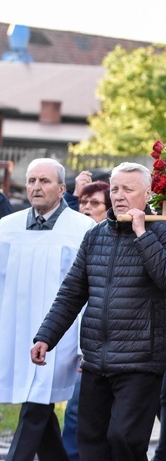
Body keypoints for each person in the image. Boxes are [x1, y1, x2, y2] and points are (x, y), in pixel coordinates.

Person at [31, 161, 166, 460]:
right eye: (115, 188)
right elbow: (72, 292)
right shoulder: (96, 234)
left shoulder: (164, 230)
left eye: (128, 188)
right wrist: (46, 336)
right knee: (90, 442)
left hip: (140, 361)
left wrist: (142, 233)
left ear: (148, 193)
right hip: (96, 359)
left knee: (125, 440)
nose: (119, 195)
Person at [0, 158, 95, 461]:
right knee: (38, 407)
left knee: (37, 403)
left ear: (62, 188)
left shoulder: (82, 229)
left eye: (44, 181)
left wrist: (84, 344)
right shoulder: (6, 228)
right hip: (16, 333)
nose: (36, 187)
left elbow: (89, 291)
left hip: (61, 338)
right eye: (31, 181)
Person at [62, 180, 111, 461]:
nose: (87, 208)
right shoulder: (81, 238)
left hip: (94, 345)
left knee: (78, 411)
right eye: (83, 202)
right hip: (70, 338)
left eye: (95, 204)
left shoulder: (106, 241)